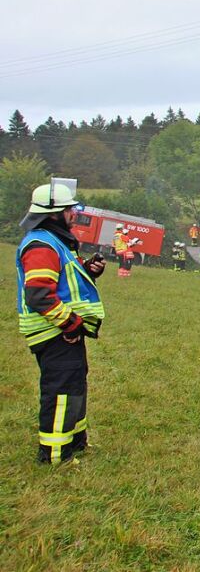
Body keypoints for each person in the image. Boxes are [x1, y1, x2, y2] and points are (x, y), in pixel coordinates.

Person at [16, 182, 107, 464]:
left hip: (65, 330)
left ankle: (77, 442)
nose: (73, 214)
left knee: (75, 386)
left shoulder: (57, 241)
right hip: (55, 331)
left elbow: (64, 281)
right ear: (54, 213)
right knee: (61, 391)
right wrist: (69, 325)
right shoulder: (42, 244)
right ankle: (55, 455)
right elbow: (39, 294)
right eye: (70, 209)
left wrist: (89, 270)